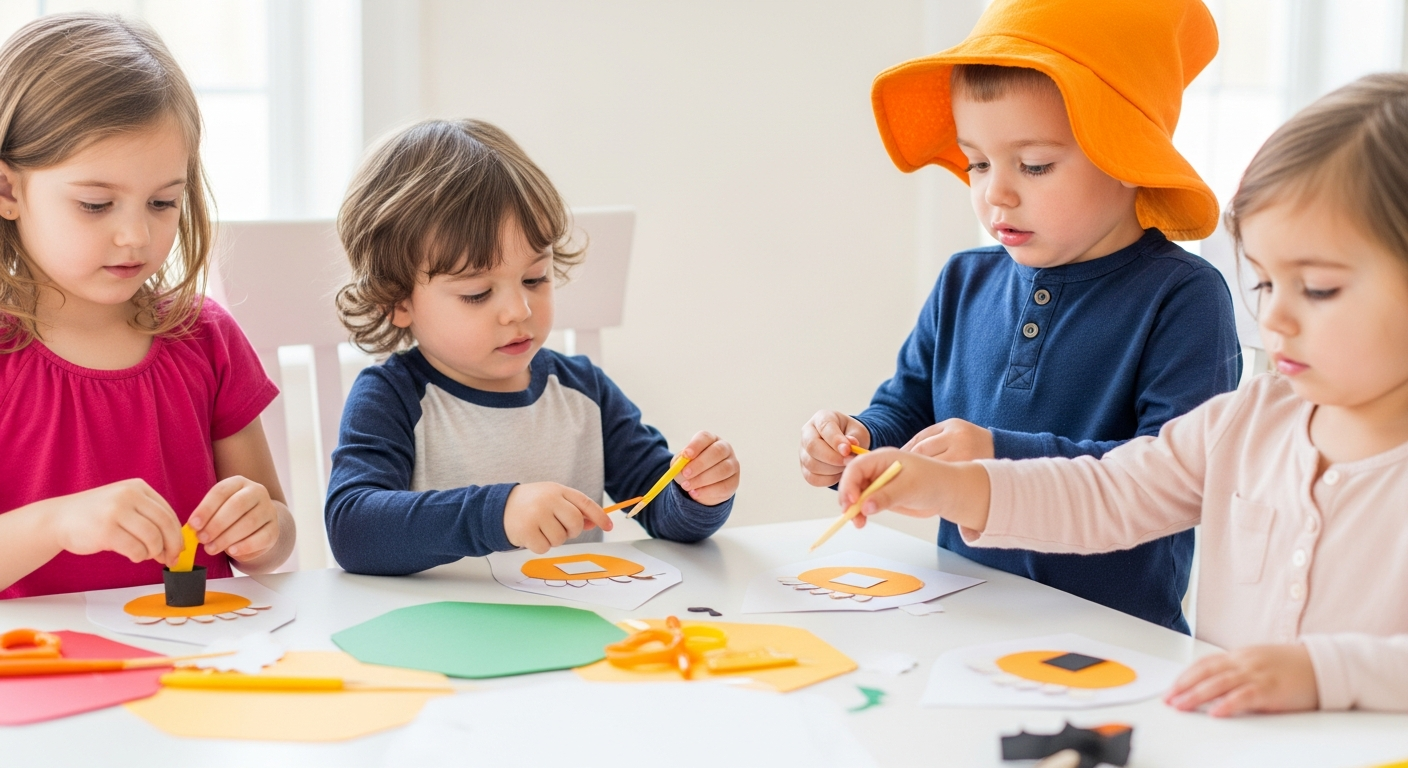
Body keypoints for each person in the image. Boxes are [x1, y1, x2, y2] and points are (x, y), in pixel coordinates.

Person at [838, 73, 1408, 715]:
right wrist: (951, 487)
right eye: (1266, 285)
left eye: (1320, 289)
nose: (1273, 319)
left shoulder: (1179, 299)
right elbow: (1107, 492)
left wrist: (1323, 673)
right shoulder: (1245, 421)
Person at [799, 0, 1240, 632]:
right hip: (963, 618)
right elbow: (908, 408)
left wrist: (994, 452)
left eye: (1034, 165)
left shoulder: (1183, 297)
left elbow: (1172, 479)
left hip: (1116, 640)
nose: (994, 192)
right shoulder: (963, 280)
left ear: (1127, 157)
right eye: (977, 162)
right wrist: (859, 441)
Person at [326, 119, 739, 574]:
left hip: (576, 614)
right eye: (478, 293)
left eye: (535, 279)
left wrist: (697, 493)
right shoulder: (391, 398)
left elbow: (661, 510)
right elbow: (353, 530)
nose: (519, 310)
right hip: (440, 619)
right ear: (397, 300)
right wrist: (498, 515)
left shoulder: (584, 392)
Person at [0, 14, 295, 598]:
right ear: (9, 190)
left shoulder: (205, 336)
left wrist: (263, 529)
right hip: (42, 655)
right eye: (95, 204)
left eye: (162, 203)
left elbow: (276, 542)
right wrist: (56, 523)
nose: (135, 235)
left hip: (198, 644)